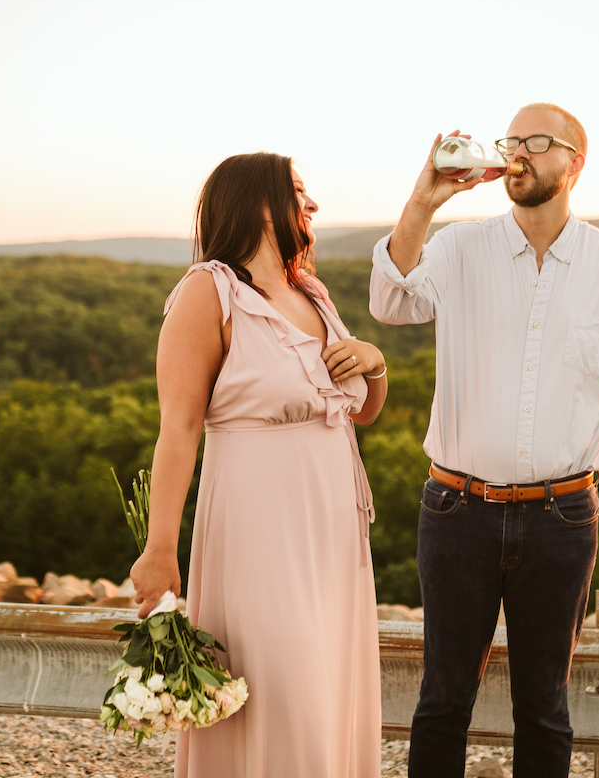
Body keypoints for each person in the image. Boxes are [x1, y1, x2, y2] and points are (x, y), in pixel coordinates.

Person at [369, 103, 599, 778]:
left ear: (575, 163)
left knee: (543, 707)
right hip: (456, 511)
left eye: (537, 143)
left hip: (562, 517)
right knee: (443, 699)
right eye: (512, 140)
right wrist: (423, 202)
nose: (519, 153)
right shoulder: (457, 247)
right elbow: (391, 302)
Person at [130, 152, 387, 778]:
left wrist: (374, 361)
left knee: (327, 687)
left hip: (332, 526)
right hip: (258, 523)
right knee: (284, 685)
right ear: (259, 203)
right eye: (298, 190)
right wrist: (160, 546)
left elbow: (362, 412)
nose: (313, 204)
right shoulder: (207, 291)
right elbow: (179, 427)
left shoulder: (312, 293)